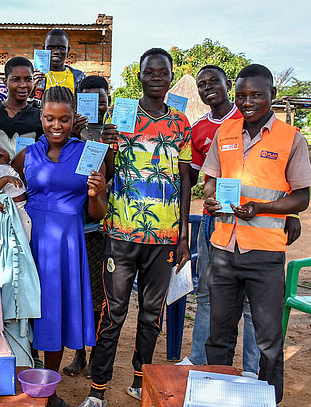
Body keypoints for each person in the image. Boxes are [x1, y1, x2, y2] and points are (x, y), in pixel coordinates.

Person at [80, 48, 193, 407]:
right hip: (121, 233)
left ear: (170, 76)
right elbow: (107, 172)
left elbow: (186, 182)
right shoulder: (121, 115)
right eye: (150, 72)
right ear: (140, 76)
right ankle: (98, 390)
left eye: (163, 72)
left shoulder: (180, 124)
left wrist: (184, 234)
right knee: (113, 314)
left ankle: (138, 381)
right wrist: (108, 143)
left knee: (151, 315)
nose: (156, 77)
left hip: (164, 236)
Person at [202, 64, 311, 404]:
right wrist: (209, 200)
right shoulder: (226, 133)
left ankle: (268, 400)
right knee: (219, 336)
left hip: (265, 254)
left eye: (256, 95)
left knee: (268, 339)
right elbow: (211, 179)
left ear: (272, 96)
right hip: (223, 249)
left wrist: (259, 208)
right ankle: (215, 396)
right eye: (241, 96)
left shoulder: (290, 138)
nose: (247, 102)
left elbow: (302, 197)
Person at [10, 86, 108, 407]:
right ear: (40, 116)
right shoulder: (27, 154)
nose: (56, 126)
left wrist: (96, 194)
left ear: (74, 119)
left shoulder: (89, 153)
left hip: (67, 243)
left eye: (64, 120)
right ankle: (28, 378)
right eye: (50, 118)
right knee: (27, 310)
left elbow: (97, 212)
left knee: (56, 312)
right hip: (31, 242)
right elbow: (9, 186)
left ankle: (48, 389)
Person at [182, 64, 266, 375]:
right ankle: (199, 360)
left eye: (213, 81)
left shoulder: (249, 118)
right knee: (206, 292)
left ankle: (252, 370)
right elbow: (196, 177)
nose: (207, 88)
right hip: (214, 221)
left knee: (251, 302)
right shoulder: (200, 129)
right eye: (201, 84)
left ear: (227, 83)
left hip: (253, 222)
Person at [64, 75, 111, 378]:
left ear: (108, 103)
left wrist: (113, 145)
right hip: (72, 226)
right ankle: (78, 354)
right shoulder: (68, 131)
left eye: (102, 100)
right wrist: (77, 137)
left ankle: (95, 355)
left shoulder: (117, 133)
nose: (97, 107)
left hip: (102, 230)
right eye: (89, 101)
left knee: (98, 296)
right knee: (74, 294)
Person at [0, 57, 43, 155]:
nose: (23, 85)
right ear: (6, 82)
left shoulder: (40, 116)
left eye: (28, 79)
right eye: (16, 80)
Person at [0, 140, 31, 241]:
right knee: (23, 228)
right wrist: (7, 179)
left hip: (20, 205)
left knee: (25, 225)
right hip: (14, 208)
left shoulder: (5, 167)